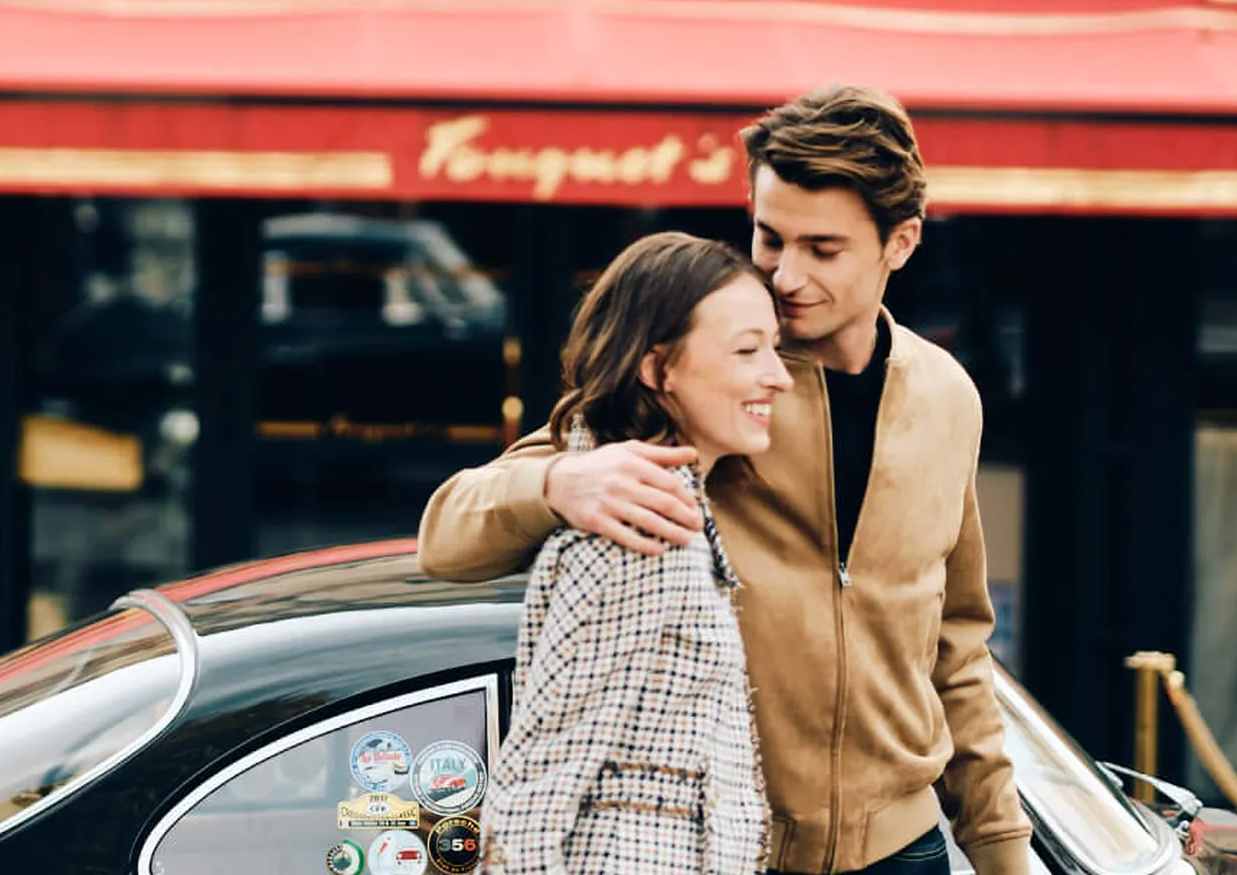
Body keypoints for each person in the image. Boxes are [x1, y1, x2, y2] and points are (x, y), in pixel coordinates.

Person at [423, 85, 1031, 875]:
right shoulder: (717, 383)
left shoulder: (949, 398)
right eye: (770, 238)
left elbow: (957, 647)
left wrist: (1000, 848)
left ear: (902, 242)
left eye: (823, 249)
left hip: (903, 851)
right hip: (735, 852)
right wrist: (558, 483)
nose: (786, 275)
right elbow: (447, 537)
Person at [480, 232, 790, 875]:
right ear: (657, 369)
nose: (779, 376)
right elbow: (536, 786)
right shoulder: (642, 536)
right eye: (746, 350)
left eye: (775, 347)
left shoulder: (666, 512)